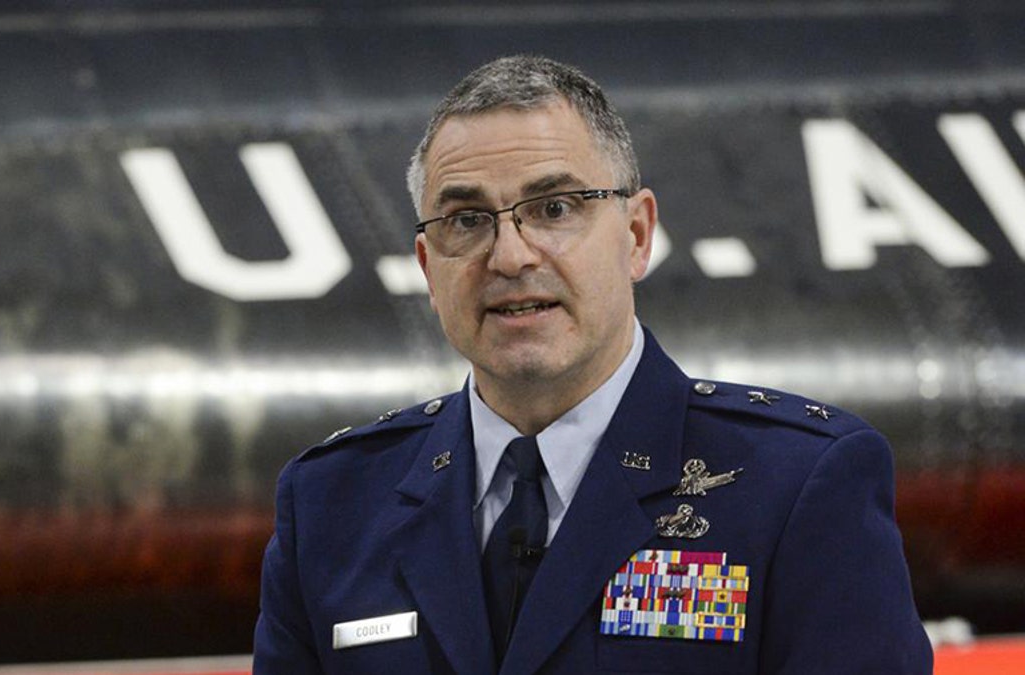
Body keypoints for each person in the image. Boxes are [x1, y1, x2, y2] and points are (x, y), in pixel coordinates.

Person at [253, 55, 932, 674]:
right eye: (465, 219)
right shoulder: (331, 507)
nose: (511, 255)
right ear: (429, 270)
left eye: (554, 208)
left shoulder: (796, 486)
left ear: (636, 236)